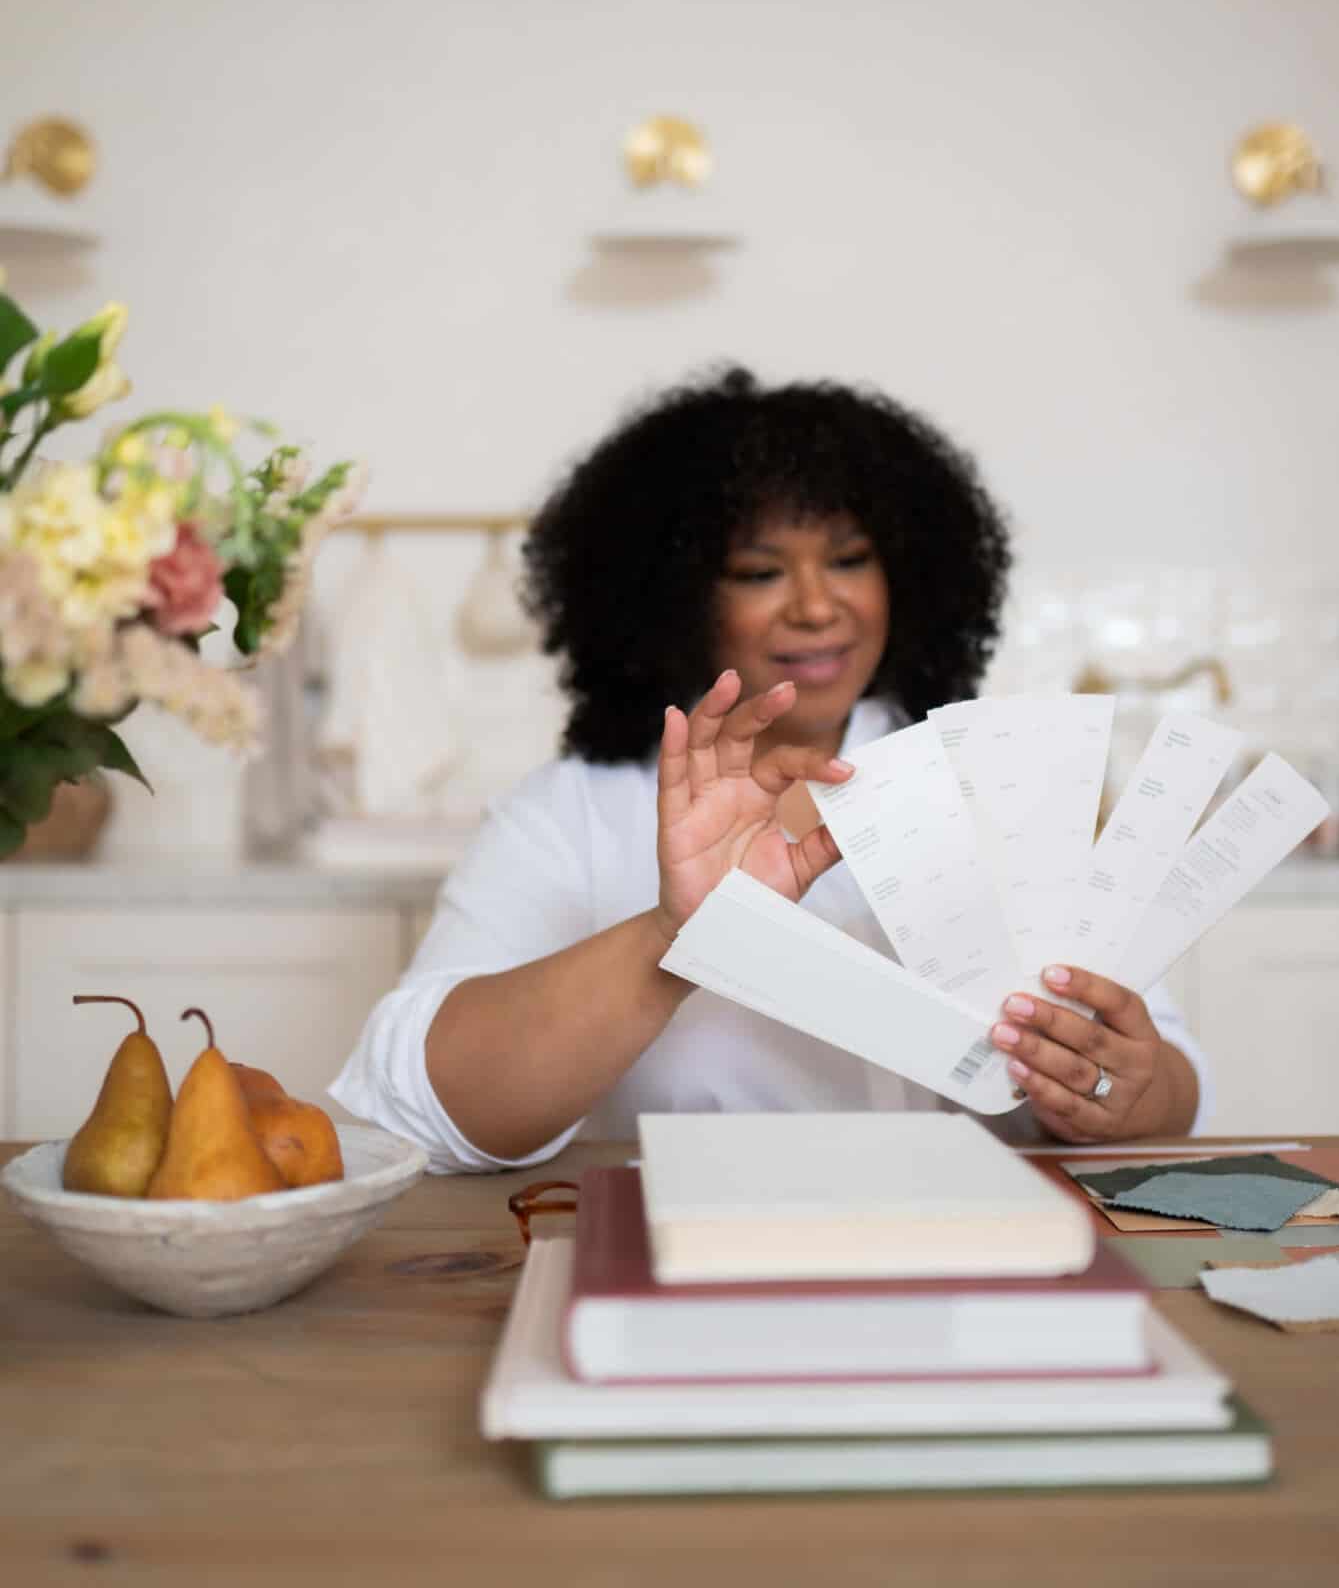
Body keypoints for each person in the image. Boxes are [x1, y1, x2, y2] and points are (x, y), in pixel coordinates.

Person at [329, 368, 1209, 1171]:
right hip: (682, 1279)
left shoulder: (1001, 782)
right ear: (669, 595)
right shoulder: (570, 813)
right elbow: (413, 1110)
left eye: (850, 560)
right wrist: (676, 935)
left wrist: (1129, 1095)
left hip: (983, 1266)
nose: (819, 605)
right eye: (760, 571)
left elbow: (1166, 1084)